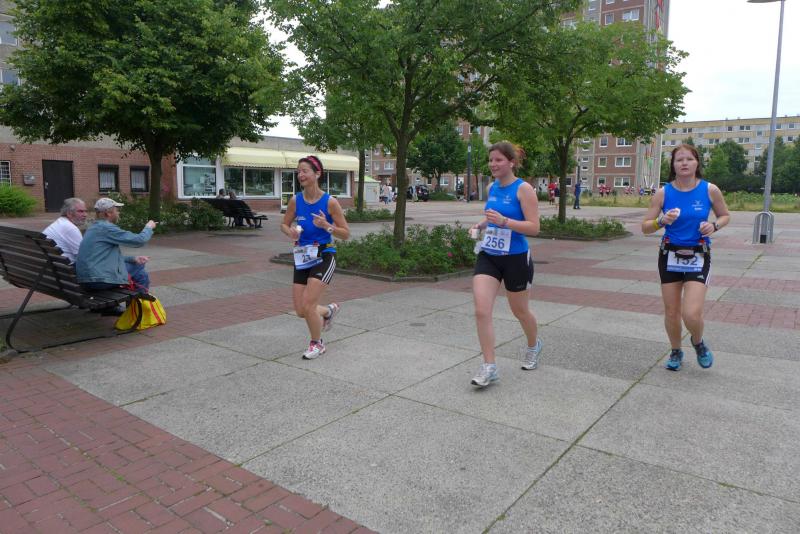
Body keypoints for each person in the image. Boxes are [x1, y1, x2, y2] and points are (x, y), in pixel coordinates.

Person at [642, 143, 730, 372]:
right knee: (672, 311)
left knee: (691, 313)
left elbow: (725, 215)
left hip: (698, 255)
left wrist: (714, 226)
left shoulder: (710, 189)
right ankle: (675, 350)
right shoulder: (663, 193)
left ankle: (698, 342)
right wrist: (661, 221)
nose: (684, 163)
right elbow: (645, 227)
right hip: (669, 254)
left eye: (689, 159)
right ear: (673, 165)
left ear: (696, 163)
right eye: (679, 159)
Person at [468, 141, 542, 388]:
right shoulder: (492, 187)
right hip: (489, 254)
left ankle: (533, 346)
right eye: (491, 160)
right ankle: (489, 366)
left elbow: (534, 227)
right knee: (481, 310)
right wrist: (481, 225)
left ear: (511, 162)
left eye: (498, 160)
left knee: (520, 311)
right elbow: (492, 217)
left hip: (516, 258)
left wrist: (505, 221)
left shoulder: (524, 189)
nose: (493, 164)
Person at [281, 155, 350, 360]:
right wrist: (290, 232)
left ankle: (317, 344)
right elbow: (284, 224)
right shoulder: (296, 200)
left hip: (324, 255)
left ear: (317, 173)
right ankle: (328, 311)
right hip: (303, 256)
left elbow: (345, 233)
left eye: (305, 171)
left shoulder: (330, 202)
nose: (300, 175)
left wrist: (326, 225)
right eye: (298, 171)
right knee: (301, 310)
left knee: (309, 304)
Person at [76, 198, 156, 312]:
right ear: (108, 213)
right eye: (117, 210)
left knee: (136, 265)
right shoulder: (106, 228)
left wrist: (132, 258)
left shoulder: (93, 227)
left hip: (87, 279)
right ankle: (136, 311)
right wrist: (149, 227)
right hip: (98, 280)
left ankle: (115, 308)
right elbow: (139, 240)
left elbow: (104, 258)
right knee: (139, 270)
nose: (119, 213)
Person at [43, 198, 87, 264]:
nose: (85, 215)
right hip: (65, 267)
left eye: (85, 211)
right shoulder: (70, 228)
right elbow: (83, 256)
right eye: (80, 211)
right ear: (69, 213)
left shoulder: (60, 222)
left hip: (52, 265)